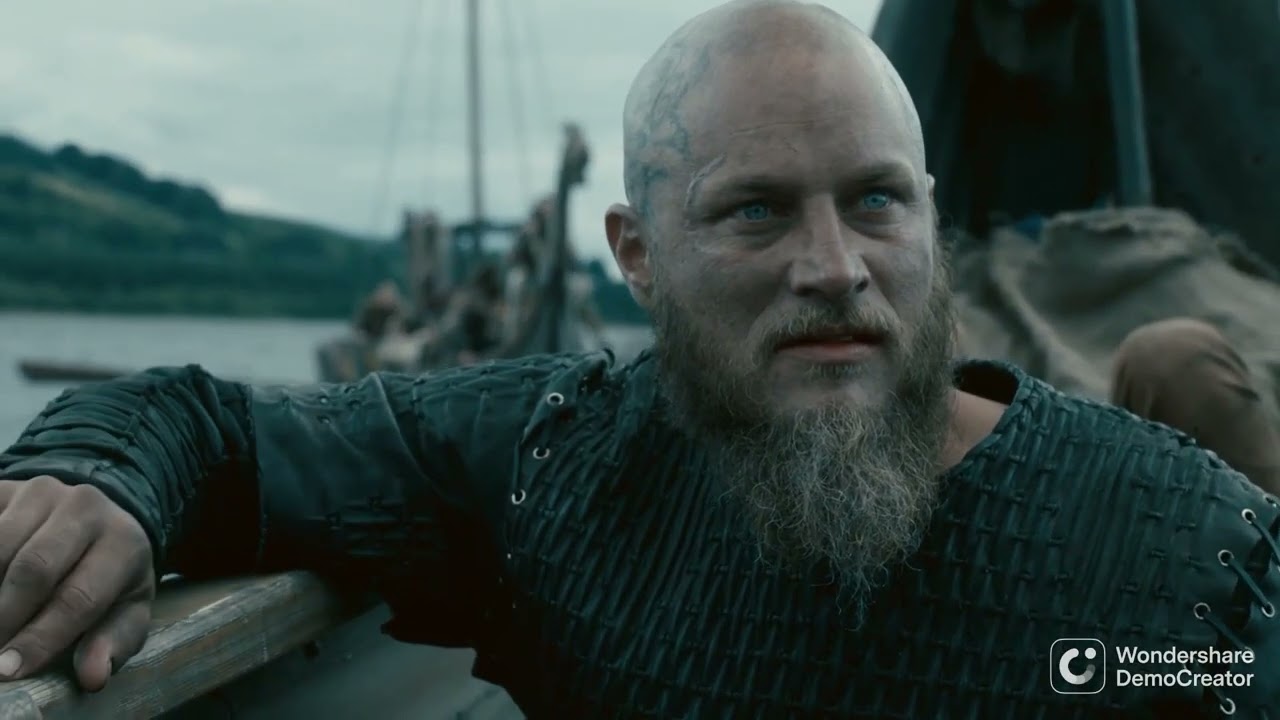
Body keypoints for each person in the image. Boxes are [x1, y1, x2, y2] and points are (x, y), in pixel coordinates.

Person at [0, 1, 1276, 716]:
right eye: (755, 211)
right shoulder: (550, 471)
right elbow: (213, 429)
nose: (833, 265)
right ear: (636, 254)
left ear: (928, 221)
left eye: (875, 202)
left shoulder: (1169, 556)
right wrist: (91, 482)